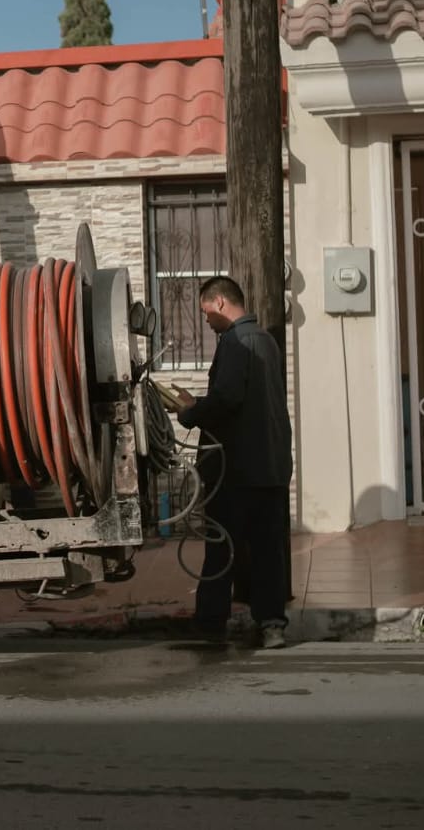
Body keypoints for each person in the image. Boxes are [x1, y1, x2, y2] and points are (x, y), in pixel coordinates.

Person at [165, 275, 293, 649]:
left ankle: (210, 624)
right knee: (268, 550)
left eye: (206, 312)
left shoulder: (235, 342)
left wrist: (189, 411)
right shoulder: (266, 341)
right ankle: (272, 625)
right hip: (270, 464)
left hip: (236, 468)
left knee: (221, 546)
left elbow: (227, 400)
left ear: (220, 302)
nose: (206, 320)